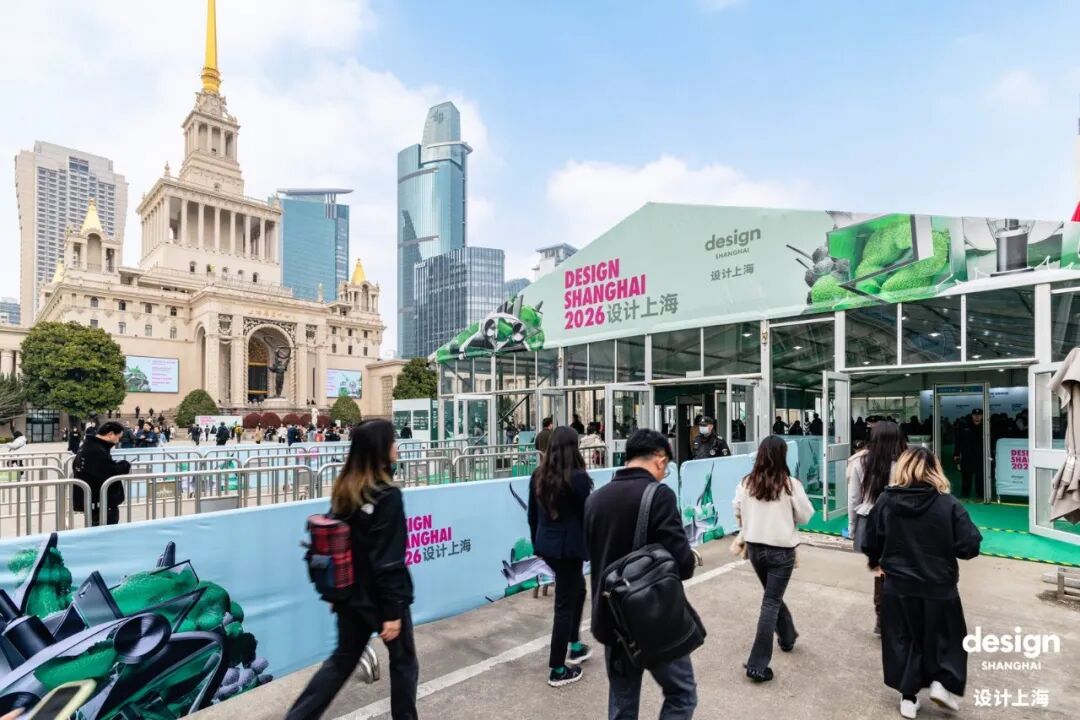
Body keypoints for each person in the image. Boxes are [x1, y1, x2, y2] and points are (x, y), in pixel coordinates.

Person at [285, 419, 417, 720]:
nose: (396, 446)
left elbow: (333, 546)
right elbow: (389, 560)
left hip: (349, 597)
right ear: (380, 449)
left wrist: (335, 594)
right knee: (404, 663)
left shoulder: (346, 489)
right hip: (380, 599)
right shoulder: (387, 495)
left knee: (341, 661)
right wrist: (393, 611)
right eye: (392, 441)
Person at [584, 429, 698, 719]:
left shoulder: (595, 499)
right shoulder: (659, 496)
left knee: (622, 705)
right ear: (660, 460)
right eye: (666, 468)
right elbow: (683, 563)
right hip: (654, 619)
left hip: (612, 620)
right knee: (682, 694)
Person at [862, 447, 982, 719]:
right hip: (940, 585)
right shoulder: (947, 504)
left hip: (898, 585)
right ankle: (942, 681)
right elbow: (970, 545)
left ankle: (908, 697)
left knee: (903, 639)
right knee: (946, 637)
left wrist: (877, 560)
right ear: (935, 469)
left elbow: (871, 540)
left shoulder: (886, 501)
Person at [733, 435, 814, 682]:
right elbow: (805, 516)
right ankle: (757, 665)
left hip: (755, 549)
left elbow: (736, 509)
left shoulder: (746, 483)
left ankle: (788, 636)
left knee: (772, 597)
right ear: (782, 456)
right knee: (771, 601)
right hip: (782, 552)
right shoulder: (790, 485)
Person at [527, 427, 593, 687]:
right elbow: (586, 517)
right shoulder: (578, 479)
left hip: (549, 547)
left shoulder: (538, 475)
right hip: (569, 550)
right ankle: (557, 668)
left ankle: (575, 644)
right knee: (565, 604)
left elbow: (532, 516)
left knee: (578, 590)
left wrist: (538, 544)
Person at [846, 420, 907, 635]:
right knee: (900, 569)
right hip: (901, 522)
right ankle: (901, 615)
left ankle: (882, 618)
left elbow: (854, 498)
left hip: (870, 521)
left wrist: (853, 527)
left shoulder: (859, 462)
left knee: (880, 569)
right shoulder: (907, 462)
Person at [72, 421, 132, 526]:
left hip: (95, 502)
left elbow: (100, 468)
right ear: (110, 434)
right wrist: (124, 465)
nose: (117, 441)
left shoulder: (88, 446)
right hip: (101, 503)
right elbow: (109, 472)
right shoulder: (96, 450)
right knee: (105, 531)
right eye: (118, 437)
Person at [953, 409, 984, 500]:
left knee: (980, 475)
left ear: (982, 416)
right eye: (975, 414)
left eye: (979, 414)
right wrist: (956, 453)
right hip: (967, 455)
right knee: (966, 475)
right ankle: (965, 493)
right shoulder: (964, 426)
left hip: (981, 455)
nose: (977, 416)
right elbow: (959, 441)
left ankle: (981, 493)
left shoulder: (986, 426)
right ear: (972, 415)